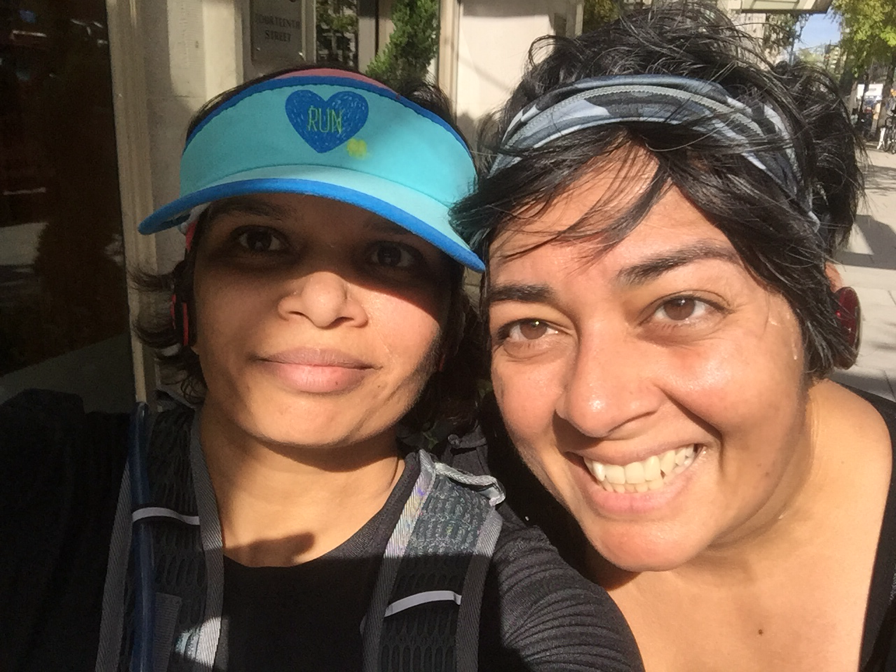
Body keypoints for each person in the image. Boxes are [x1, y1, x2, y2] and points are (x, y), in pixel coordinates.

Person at [0, 67, 643, 671]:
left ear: (450, 330)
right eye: (259, 241)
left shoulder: (523, 611)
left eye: (390, 255)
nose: (321, 300)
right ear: (186, 298)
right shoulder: (46, 481)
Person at [452, 4, 896, 671]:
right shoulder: (462, 513)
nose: (593, 407)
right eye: (533, 326)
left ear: (819, 315)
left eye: (680, 306)